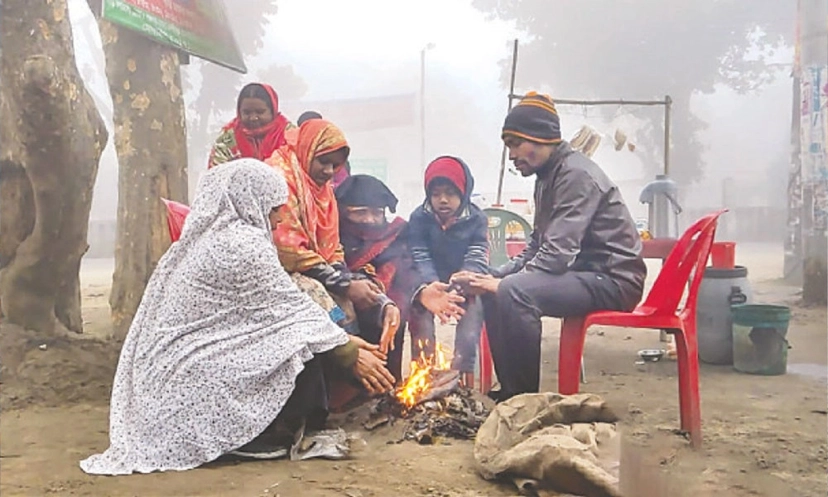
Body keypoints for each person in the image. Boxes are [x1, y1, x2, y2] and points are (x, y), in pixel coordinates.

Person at [79, 159, 395, 475]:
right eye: (274, 209)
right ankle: (270, 434)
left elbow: (302, 300)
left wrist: (355, 323)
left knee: (318, 322)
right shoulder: (243, 244)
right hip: (192, 370)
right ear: (249, 201)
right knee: (300, 343)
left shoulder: (224, 237)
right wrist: (346, 347)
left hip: (190, 363)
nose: (279, 219)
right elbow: (290, 311)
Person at [462, 92, 647, 402]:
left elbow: (557, 255)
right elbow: (538, 244)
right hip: (584, 275)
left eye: (514, 144)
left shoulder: (576, 174)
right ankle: (509, 393)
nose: (511, 156)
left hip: (612, 279)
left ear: (539, 137)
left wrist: (505, 283)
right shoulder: (548, 176)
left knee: (513, 291)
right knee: (497, 291)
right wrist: (495, 275)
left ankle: (524, 401)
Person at [267, 120, 402, 371]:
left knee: (373, 304)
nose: (330, 171)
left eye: (335, 165)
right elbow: (288, 253)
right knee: (331, 309)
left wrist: (369, 293)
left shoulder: (321, 189)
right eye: (323, 161)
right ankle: (351, 373)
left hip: (311, 269)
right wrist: (345, 285)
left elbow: (332, 249)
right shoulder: (281, 180)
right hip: (276, 276)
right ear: (307, 152)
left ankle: (372, 381)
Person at [407, 156, 488, 387]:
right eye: (436, 194)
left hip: (464, 281)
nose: (443, 200)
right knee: (419, 313)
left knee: (471, 315)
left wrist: (461, 283)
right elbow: (419, 253)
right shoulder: (419, 217)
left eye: (450, 193)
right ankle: (423, 374)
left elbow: (478, 252)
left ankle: (462, 378)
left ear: (463, 193)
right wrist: (432, 285)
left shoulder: (476, 218)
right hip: (429, 282)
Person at [335, 174, 420, 381]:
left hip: (385, 304)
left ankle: (389, 384)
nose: (370, 220)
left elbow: (407, 270)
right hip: (341, 307)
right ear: (342, 210)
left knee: (397, 314)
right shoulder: (331, 237)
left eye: (377, 213)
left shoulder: (395, 235)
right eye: (361, 212)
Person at [207, 83, 293, 168]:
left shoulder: (290, 135)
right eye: (246, 112)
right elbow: (216, 174)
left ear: (273, 111)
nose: (253, 118)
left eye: (260, 112)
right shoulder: (227, 139)